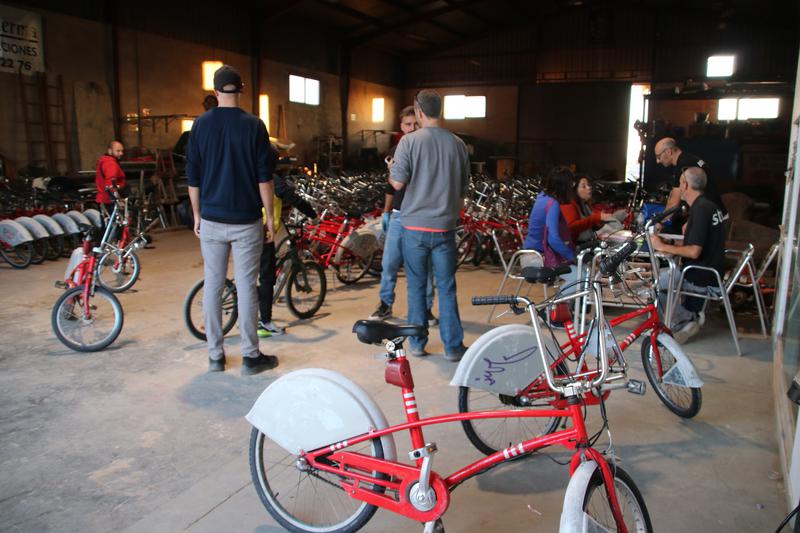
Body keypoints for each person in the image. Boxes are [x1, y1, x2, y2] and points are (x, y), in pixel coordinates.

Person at [187, 64, 277, 375]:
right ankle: (251, 356)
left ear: (215, 92)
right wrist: (270, 217)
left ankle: (215, 356)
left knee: (213, 285)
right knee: (247, 287)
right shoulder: (254, 126)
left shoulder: (200, 125)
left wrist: (197, 214)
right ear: (240, 90)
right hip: (246, 220)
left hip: (212, 218)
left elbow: (193, 177)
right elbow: (264, 179)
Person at [389, 89, 469, 362]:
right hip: (445, 227)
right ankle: (453, 347)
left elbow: (397, 183)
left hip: (414, 229)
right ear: (440, 111)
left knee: (416, 286)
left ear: (419, 112)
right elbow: (461, 193)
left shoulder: (409, 142)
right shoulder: (458, 144)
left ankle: (418, 344)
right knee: (446, 287)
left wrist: (392, 168)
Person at [370, 106, 437, 325]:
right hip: (399, 215)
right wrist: (387, 212)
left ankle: (425, 309)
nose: (411, 128)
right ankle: (385, 304)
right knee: (389, 263)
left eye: (415, 124)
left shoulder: (429, 149)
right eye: (407, 124)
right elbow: (391, 187)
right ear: (401, 127)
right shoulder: (395, 150)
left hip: (421, 216)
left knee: (423, 266)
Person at [651, 166, 726, 344]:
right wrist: (676, 243)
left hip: (700, 276)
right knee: (661, 279)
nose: (678, 188)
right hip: (712, 272)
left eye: (679, 184)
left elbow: (694, 251)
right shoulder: (709, 206)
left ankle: (688, 318)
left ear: (685, 184)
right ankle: (684, 320)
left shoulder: (700, 210)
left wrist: (662, 246)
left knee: (654, 287)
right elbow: (702, 242)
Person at [257, 166, 317, 337]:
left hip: (241, 228)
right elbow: (294, 198)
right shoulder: (270, 177)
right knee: (267, 278)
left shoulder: (246, 170)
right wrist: (313, 214)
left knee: (248, 272)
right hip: (261, 232)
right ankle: (265, 323)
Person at [654, 137, 727, 229]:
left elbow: (674, 202)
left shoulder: (684, 167)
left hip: (712, 219)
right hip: (716, 215)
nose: (657, 161)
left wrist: (659, 222)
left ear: (669, 152)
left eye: (658, 156)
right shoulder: (689, 159)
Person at [561, 175, 621, 246]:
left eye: (588, 185)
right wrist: (597, 219)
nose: (589, 188)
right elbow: (574, 228)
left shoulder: (583, 205)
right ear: (575, 191)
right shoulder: (571, 206)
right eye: (584, 186)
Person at [95, 141, 126, 209]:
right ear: (110, 151)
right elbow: (110, 184)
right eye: (118, 151)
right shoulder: (111, 164)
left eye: (122, 151)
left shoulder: (104, 161)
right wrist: (118, 200)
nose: (121, 153)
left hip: (104, 199)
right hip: (110, 201)